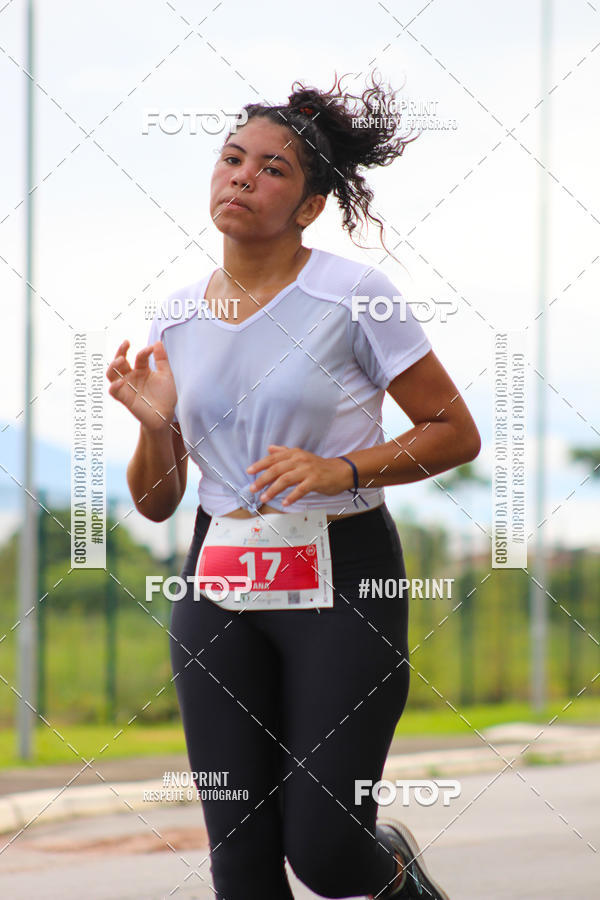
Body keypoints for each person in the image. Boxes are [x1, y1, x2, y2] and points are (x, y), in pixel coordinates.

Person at [107, 71, 480, 900]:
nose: (242, 176)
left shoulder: (356, 297)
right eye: (232, 159)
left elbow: (454, 433)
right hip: (221, 571)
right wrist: (156, 426)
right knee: (239, 857)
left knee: (324, 848)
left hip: (342, 573)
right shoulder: (177, 316)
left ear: (309, 205)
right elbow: (158, 502)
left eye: (272, 169)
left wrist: (339, 469)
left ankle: (395, 869)